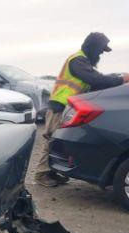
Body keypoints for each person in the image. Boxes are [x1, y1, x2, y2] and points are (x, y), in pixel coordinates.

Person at [35, 32, 129, 187]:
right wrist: (121, 79)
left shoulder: (84, 62)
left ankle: (52, 172)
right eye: (100, 49)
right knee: (52, 140)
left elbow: (98, 80)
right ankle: (41, 174)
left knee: (59, 141)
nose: (100, 53)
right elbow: (95, 79)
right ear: (92, 46)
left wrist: (116, 79)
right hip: (59, 106)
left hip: (67, 108)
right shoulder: (77, 61)